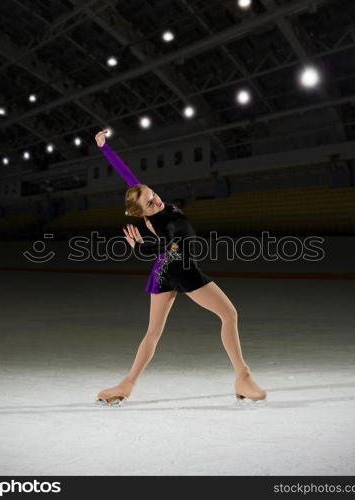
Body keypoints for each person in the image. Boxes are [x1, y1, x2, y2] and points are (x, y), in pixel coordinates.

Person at [93, 130, 267, 407]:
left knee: (153, 332)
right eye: (150, 202)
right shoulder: (168, 223)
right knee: (229, 314)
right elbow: (170, 244)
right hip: (181, 270)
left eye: (154, 194)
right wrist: (142, 248)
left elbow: (128, 176)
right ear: (142, 213)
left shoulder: (146, 203)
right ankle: (242, 377)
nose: (157, 200)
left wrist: (105, 148)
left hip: (162, 271)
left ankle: (126, 385)